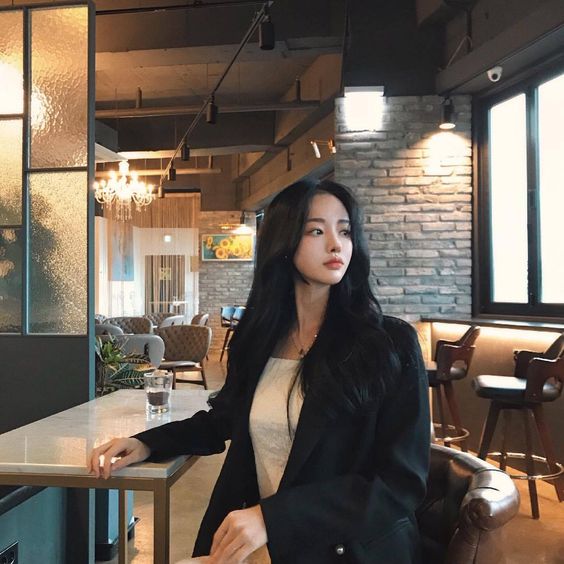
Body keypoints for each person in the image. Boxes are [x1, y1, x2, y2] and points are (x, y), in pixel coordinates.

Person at [88, 179, 430, 564]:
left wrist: (273, 517)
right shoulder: (262, 338)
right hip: (264, 547)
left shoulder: (388, 344)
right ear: (284, 242)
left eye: (345, 231)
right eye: (316, 231)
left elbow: (401, 484)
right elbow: (224, 419)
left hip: (347, 550)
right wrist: (147, 443)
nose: (336, 244)